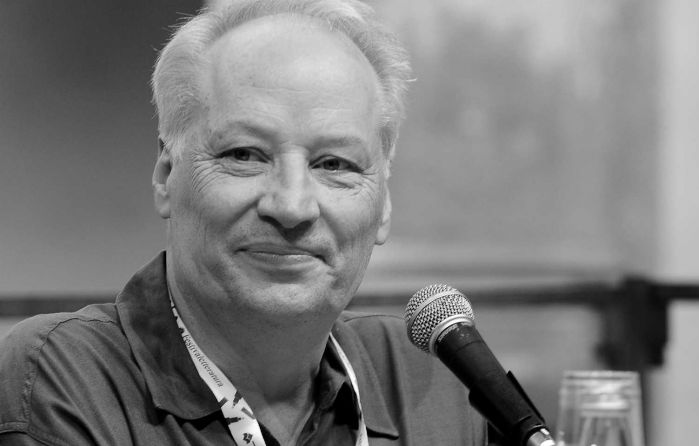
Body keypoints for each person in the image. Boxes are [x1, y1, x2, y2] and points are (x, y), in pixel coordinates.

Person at [0, 0, 490, 444]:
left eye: (334, 164)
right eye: (244, 155)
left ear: (383, 205)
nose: (292, 206)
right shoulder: (66, 376)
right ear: (166, 176)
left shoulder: (429, 378)